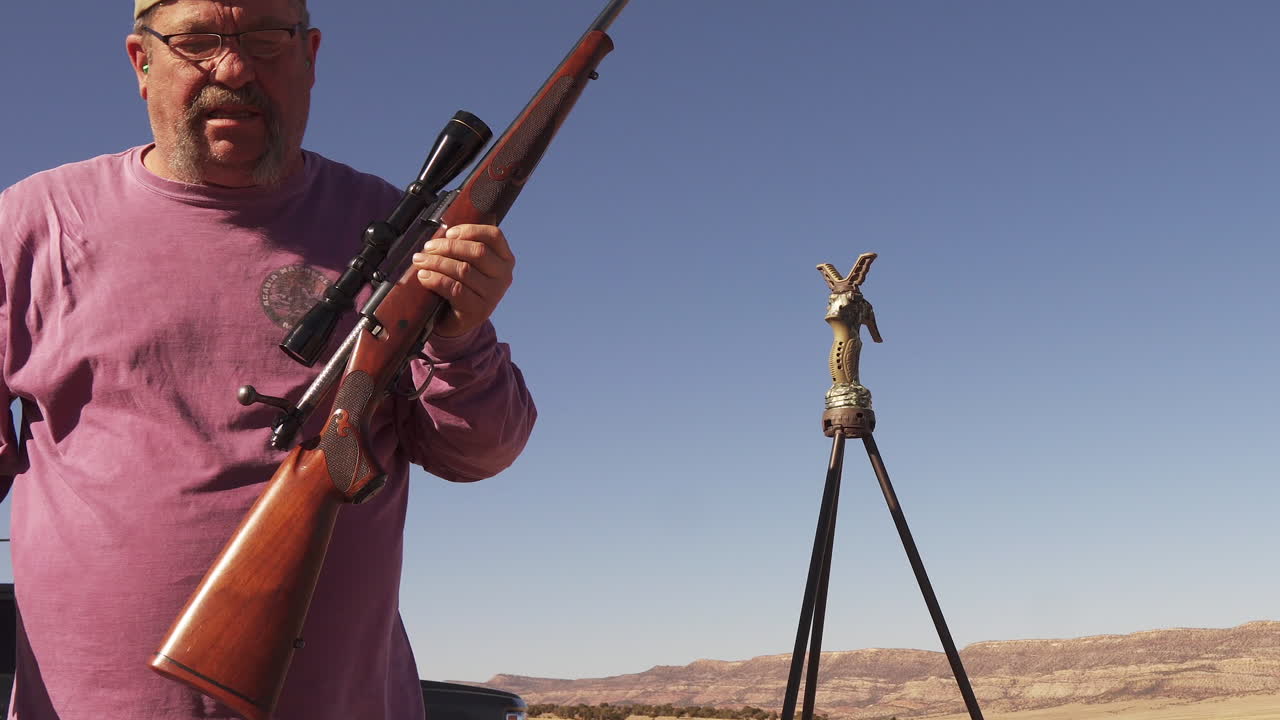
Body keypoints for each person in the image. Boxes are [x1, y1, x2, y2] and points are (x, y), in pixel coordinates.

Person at [0, 0, 537, 717]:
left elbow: (482, 450)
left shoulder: (402, 232)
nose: (234, 67)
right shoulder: (34, 223)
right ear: (141, 62)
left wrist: (460, 332)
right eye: (196, 41)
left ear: (310, 56)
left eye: (265, 38)